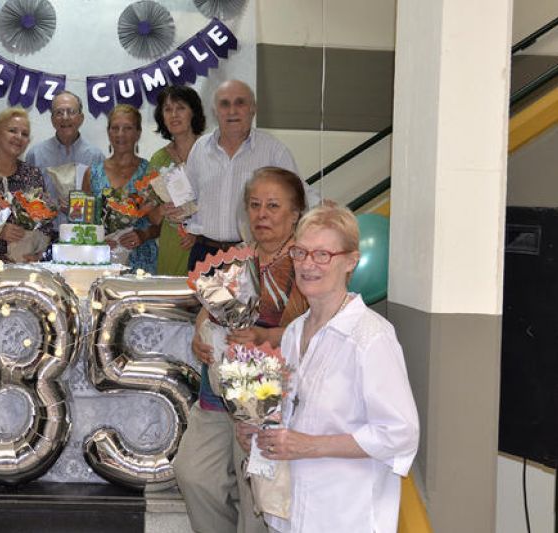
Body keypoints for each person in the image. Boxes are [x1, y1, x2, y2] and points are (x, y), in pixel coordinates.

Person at [238, 203, 419, 533]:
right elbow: (291, 414)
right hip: (290, 514)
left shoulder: (371, 337)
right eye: (301, 252)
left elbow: (400, 434)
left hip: (345, 516)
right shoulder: (294, 332)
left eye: (323, 255)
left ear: (351, 261)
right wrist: (257, 432)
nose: (308, 264)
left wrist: (310, 445)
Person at [175, 167, 309, 533]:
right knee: (193, 473)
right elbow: (210, 306)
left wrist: (269, 337)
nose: (261, 214)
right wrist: (199, 335)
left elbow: (317, 330)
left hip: (268, 397)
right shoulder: (239, 257)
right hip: (217, 394)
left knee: (256, 493)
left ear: (295, 213)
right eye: (254, 205)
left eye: (272, 206)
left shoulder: (307, 261)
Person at [181, 80, 319, 272]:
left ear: (253, 109)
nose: (232, 111)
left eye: (240, 103)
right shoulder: (199, 149)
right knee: (200, 303)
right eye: (224, 104)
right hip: (204, 255)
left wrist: (325, 216)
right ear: (215, 111)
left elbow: (301, 197)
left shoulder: (273, 151)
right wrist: (176, 211)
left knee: (253, 304)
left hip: (252, 256)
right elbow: (188, 200)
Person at [82, 104, 160, 273]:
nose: (120, 134)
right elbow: (84, 224)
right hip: (101, 258)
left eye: (128, 128)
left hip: (141, 260)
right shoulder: (92, 173)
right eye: (115, 128)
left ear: (138, 133)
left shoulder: (150, 173)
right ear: (108, 132)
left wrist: (143, 235)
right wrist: (97, 239)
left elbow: (160, 223)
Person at [0, 107, 57, 263]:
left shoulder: (32, 174)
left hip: (21, 265)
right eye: (12, 131)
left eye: (25, 134)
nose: (19, 137)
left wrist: (38, 254)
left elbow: (45, 224)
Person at [147, 85, 206, 276]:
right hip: (174, 242)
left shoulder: (212, 151)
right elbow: (151, 216)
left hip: (208, 243)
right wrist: (161, 210)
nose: (174, 115)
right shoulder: (158, 159)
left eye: (180, 108)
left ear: (193, 112)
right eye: (168, 109)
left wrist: (198, 233)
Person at [25, 91, 104, 217]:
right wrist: (50, 204)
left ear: (81, 118)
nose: (65, 117)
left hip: (84, 232)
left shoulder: (96, 156)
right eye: (59, 112)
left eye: (71, 112)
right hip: (45, 232)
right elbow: (26, 199)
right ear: (52, 119)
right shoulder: (35, 154)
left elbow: (102, 202)